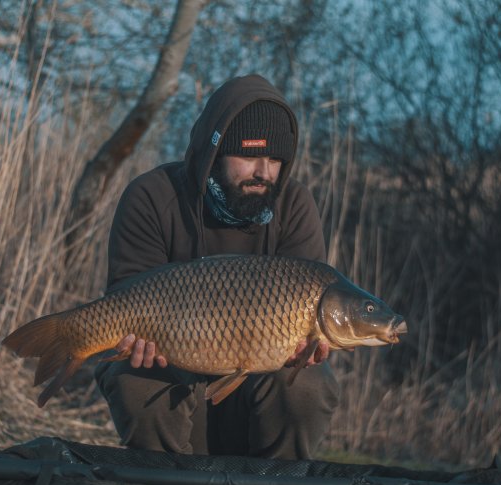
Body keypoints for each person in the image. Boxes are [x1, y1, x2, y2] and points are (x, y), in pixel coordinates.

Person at [94, 74, 339, 460]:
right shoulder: (152, 196)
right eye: (250, 156)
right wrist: (133, 342)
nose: (264, 171)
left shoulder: (293, 206)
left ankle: (274, 482)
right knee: (136, 381)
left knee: (306, 385)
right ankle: (165, 478)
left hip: (256, 375)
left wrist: (308, 348)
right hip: (169, 359)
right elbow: (125, 295)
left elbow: (307, 306)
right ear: (215, 151)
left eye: (276, 159)